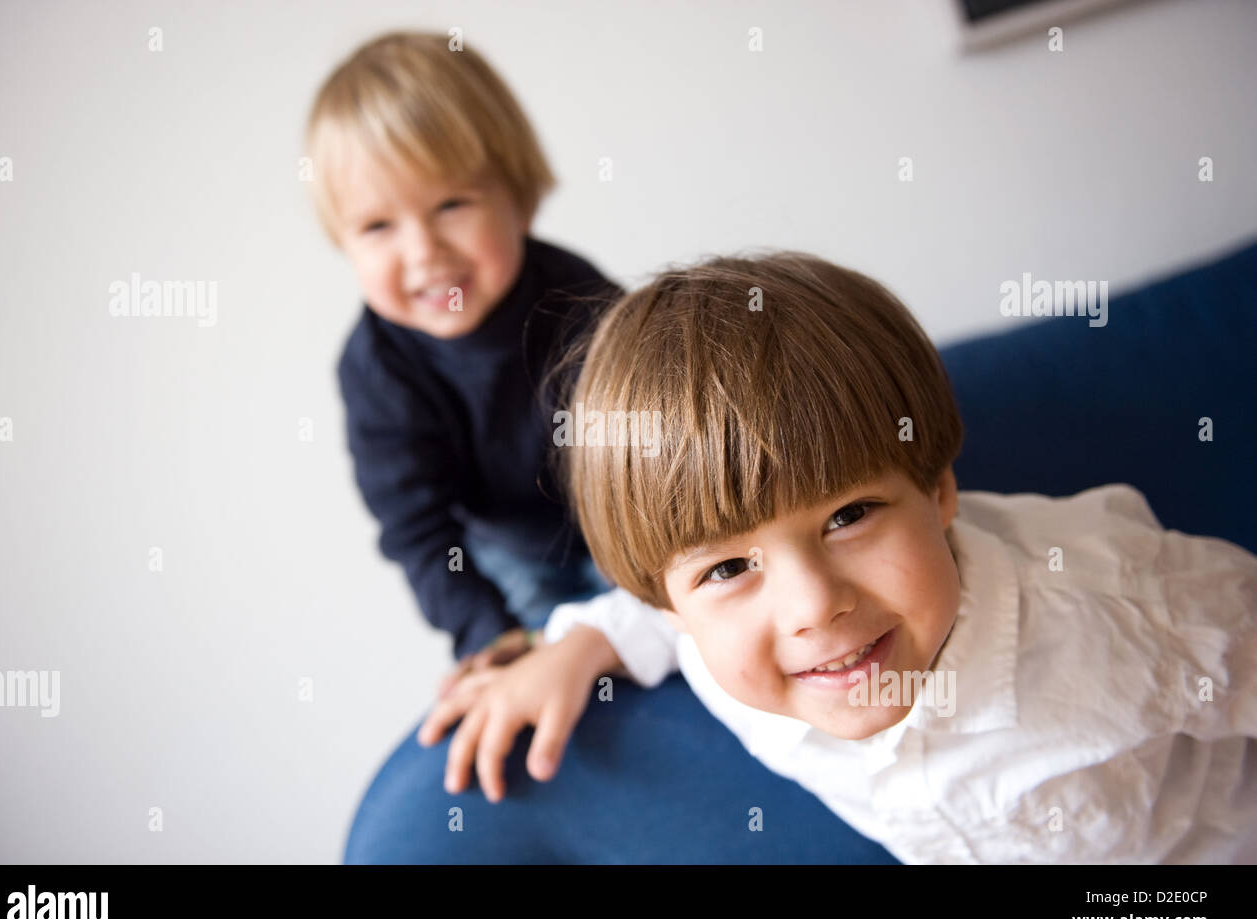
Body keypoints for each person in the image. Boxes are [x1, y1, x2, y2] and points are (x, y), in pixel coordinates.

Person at [434, 250, 1257, 862]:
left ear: (937, 491)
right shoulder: (704, 633)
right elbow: (654, 614)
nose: (810, 606)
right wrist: (575, 648)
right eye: (729, 568)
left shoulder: (1118, 612)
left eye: (850, 515)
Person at [304, 31, 617, 698]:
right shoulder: (377, 371)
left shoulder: (583, 305)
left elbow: (664, 449)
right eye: (377, 227)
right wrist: (487, 633)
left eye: (451, 205)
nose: (422, 251)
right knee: (533, 671)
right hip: (510, 550)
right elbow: (417, 528)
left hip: (625, 516)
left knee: (676, 632)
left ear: (518, 195)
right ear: (343, 243)